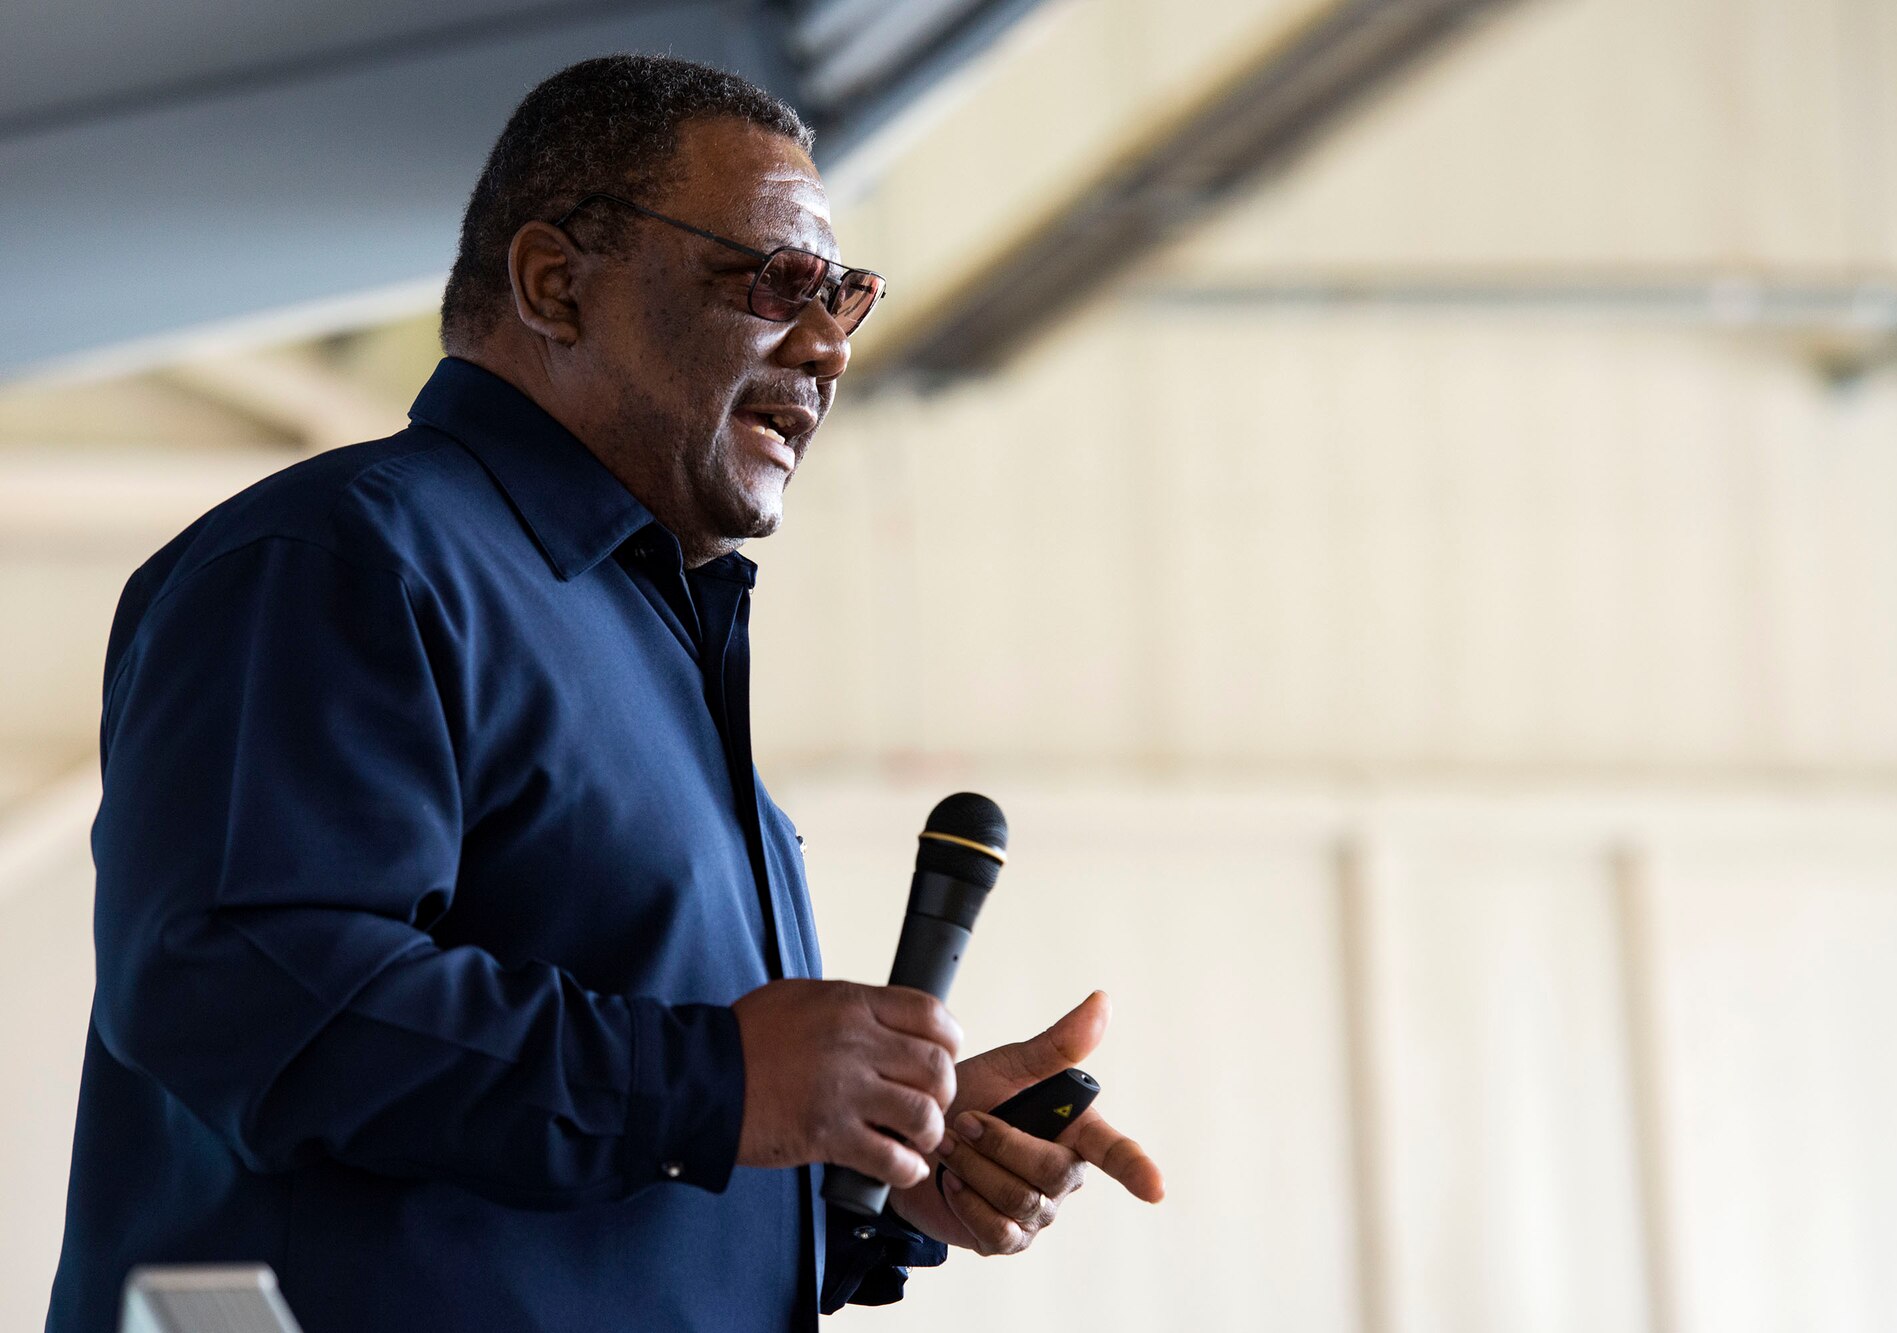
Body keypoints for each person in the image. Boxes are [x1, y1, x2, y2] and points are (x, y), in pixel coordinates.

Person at [45, 54, 1163, 1333]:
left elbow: (617, 1185)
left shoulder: (654, 643)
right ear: (553, 284)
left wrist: (874, 1181)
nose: (826, 350)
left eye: (843, 299)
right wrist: (717, 1081)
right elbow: (247, 990)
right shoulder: (342, 560)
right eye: (776, 282)